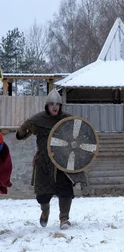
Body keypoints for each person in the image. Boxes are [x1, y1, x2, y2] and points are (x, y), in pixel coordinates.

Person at [16, 89, 86, 229]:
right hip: (44, 162)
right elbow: (20, 136)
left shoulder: (68, 120)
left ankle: (64, 218)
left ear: (60, 106)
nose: (54, 107)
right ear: (47, 106)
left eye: (57, 104)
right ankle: (45, 211)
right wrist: (24, 127)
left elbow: (80, 136)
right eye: (51, 104)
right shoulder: (38, 121)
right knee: (42, 195)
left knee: (65, 190)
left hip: (63, 161)